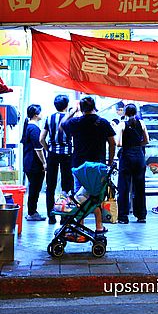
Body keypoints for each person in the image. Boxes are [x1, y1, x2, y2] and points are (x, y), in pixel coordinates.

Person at [61, 95, 116, 238]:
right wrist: (109, 162)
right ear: (94, 107)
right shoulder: (102, 122)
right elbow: (112, 143)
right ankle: (99, 227)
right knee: (95, 197)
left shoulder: (76, 122)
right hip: (98, 167)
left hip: (80, 167)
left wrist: (72, 111)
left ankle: (80, 227)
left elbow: (62, 125)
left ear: (82, 108)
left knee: (80, 196)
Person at [40, 94, 74, 224]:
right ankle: (64, 216)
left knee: (50, 186)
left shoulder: (49, 118)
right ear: (66, 105)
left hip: (52, 154)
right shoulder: (70, 119)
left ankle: (51, 216)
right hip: (66, 155)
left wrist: (48, 149)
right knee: (66, 186)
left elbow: (41, 139)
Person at [116, 103, 149, 224]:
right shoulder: (142, 123)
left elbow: (118, 143)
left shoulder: (122, 124)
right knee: (140, 187)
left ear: (125, 113)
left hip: (126, 157)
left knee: (124, 187)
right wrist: (137, 145)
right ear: (135, 112)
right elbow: (146, 140)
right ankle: (141, 215)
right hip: (139, 156)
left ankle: (123, 217)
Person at [20, 104, 47, 221]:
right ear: (36, 114)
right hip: (34, 164)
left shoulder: (28, 127)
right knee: (35, 188)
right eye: (40, 112)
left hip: (29, 163)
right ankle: (32, 212)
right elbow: (38, 148)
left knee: (33, 187)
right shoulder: (34, 128)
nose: (42, 114)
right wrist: (44, 162)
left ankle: (32, 211)